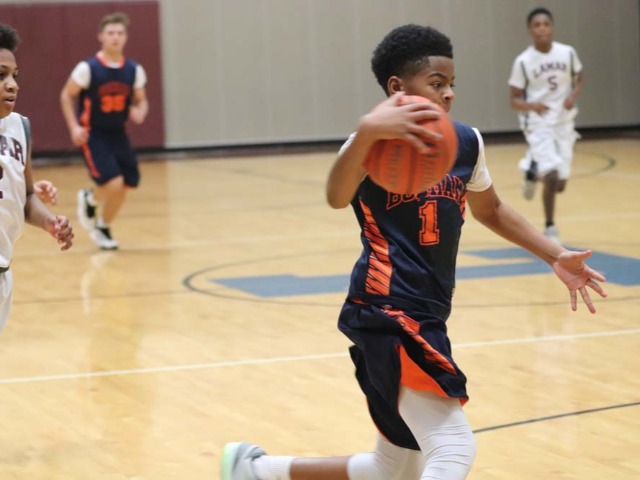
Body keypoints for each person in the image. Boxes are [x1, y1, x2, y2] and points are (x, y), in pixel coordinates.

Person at [220, 24, 606, 480]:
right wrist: (367, 132)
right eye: (437, 83)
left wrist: (554, 254)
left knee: (393, 468)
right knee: (453, 448)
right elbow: (336, 196)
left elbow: (492, 209)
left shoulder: (466, 142)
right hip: (385, 310)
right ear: (397, 88)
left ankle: (257, 471)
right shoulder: (369, 145)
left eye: (452, 84)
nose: (449, 93)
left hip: (427, 312)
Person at [0, 24, 74, 332]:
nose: (12, 85)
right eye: (0, 75)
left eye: (14, 76)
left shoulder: (20, 128)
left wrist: (49, 222)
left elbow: (27, 196)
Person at [60, 11, 148, 250]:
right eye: (110, 33)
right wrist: (74, 126)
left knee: (126, 183)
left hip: (118, 132)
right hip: (93, 134)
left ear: (126, 37)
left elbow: (141, 100)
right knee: (113, 182)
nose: (115, 37)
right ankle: (90, 197)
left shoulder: (133, 70)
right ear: (101, 36)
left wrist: (140, 111)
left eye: (120, 33)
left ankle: (103, 226)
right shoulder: (88, 68)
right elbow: (66, 96)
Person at [508, 7, 584, 244]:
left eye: (546, 24)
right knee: (551, 176)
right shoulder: (523, 61)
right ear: (530, 30)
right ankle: (550, 228)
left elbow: (580, 78)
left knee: (560, 184)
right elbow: (514, 100)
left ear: (552, 27)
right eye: (537, 25)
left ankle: (531, 167)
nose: (542, 29)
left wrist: (572, 96)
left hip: (564, 121)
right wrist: (533, 105)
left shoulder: (567, 53)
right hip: (538, 122)